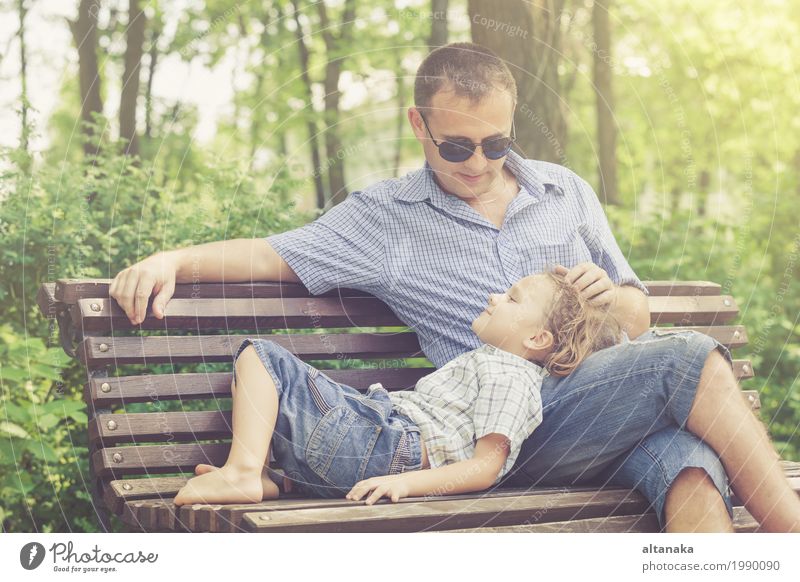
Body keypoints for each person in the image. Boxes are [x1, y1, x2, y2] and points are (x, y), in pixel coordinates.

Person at [110, 42, 800, 532]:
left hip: (605, 415)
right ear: (420, 126)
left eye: (495, 144)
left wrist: (611, 301)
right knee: (689, 358)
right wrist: (174, 258)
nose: (478, 163)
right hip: (503, 435)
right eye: (457, 147)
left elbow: (636, 314)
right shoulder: (385, 219)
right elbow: (274, 254)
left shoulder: (567, 191)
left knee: (690, 460)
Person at [172, 272, 623, 506]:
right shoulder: (494, 364)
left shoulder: (511, 376)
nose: (494, 298)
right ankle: (276, 481)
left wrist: (404, 484)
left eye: (512, 299)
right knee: (304, 388)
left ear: (537, 340)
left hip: (387, 447)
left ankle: (244, 471)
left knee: (263, 357)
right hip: (375, 442)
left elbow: (487, 467)